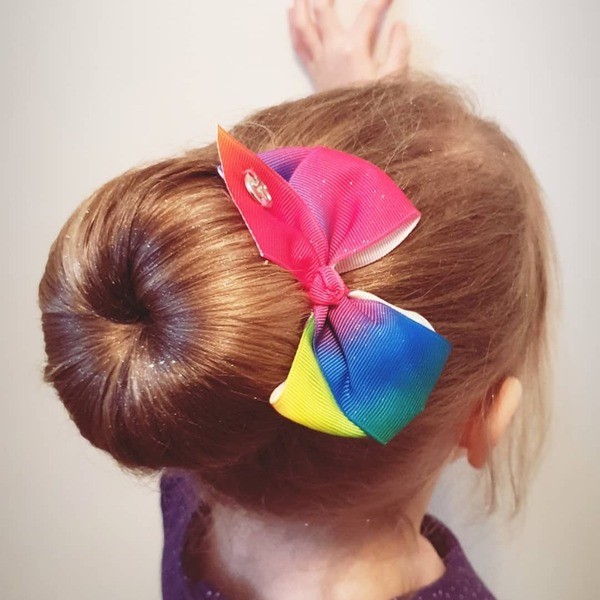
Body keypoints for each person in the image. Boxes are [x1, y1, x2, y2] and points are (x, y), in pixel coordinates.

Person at [38, 1, 553, 599]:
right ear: (487, 422)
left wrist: (369, 132)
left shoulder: (192, 451)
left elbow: (267, 309)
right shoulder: (203, 428)